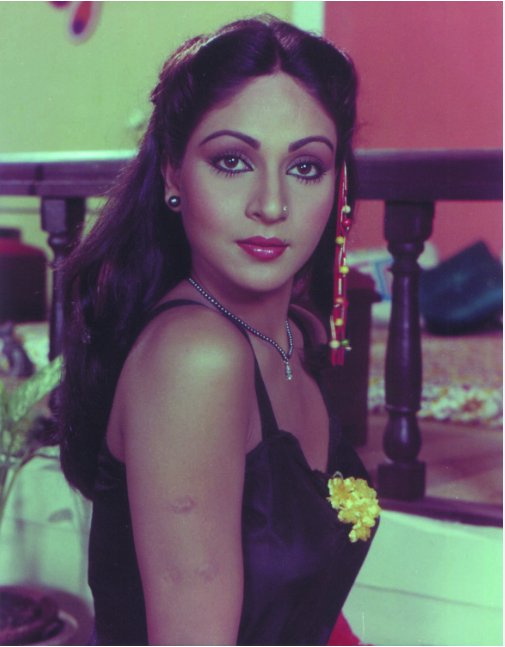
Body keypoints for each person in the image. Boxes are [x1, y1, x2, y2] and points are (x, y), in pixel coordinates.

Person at [57, 15, 378, 646]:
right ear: (173, 175)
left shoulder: (295, 336)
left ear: (339, 185)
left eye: (306, 167)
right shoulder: (194, 359)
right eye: (232, 161)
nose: (271, 205)